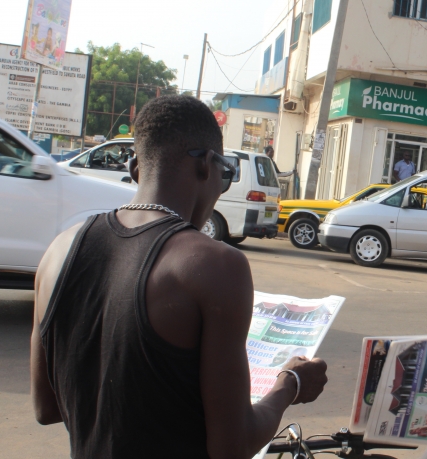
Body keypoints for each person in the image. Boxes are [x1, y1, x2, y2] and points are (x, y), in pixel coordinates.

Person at [30, 95, 328, 458]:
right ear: (206, 165)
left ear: (137, 168)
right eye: (227, 173)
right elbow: (232, 448)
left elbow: (46, 407)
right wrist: (290, 385)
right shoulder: (215, 266)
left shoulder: (59, 251)